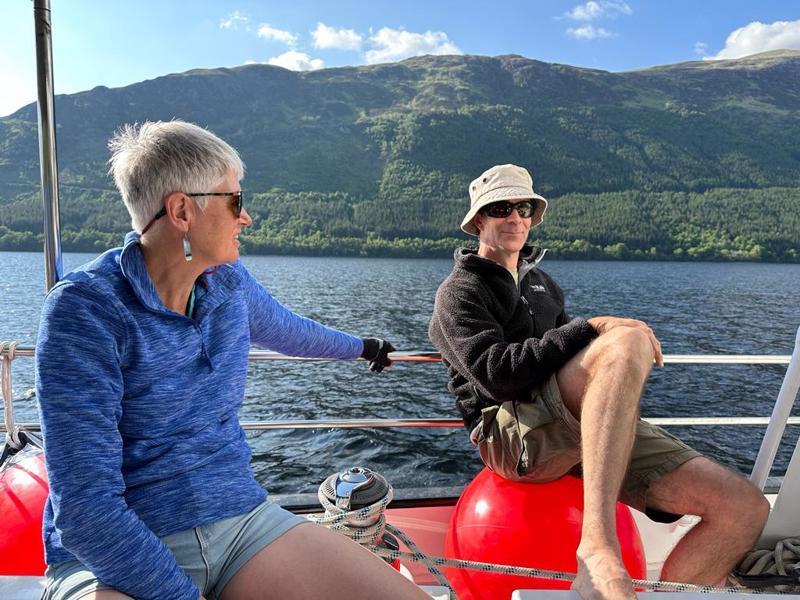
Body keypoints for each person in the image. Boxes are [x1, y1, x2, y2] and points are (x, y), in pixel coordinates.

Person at [35, 120, 429, 600]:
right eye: (235, 201)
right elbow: (86, 511)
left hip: (240, 524)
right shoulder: (86, 309)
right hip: (116, 555)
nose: (247, 218)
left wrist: (363, 346)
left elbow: (290, 331)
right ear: (181, 210)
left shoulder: (226, 282)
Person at [428, 164, 770, 600]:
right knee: (624, 340)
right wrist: (593, 328)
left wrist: (596, 340)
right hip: (511, 435)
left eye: (523, 206)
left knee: (744, 508)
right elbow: (497, 376)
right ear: (479, 220)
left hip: (566, 424)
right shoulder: (460, 291)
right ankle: (597, 545)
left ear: (533, 216)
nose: (513, 217)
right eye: (500, 208)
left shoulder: (542, 284)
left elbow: (568, 357)